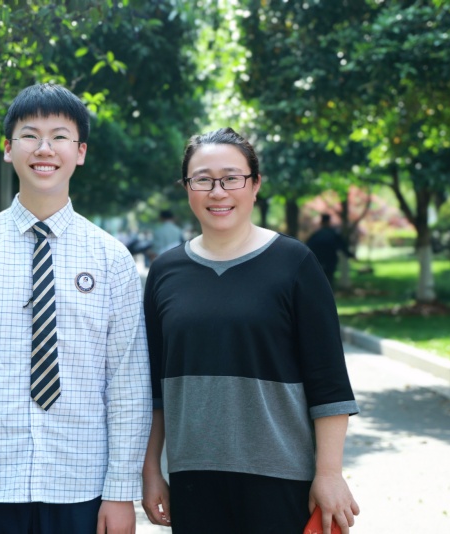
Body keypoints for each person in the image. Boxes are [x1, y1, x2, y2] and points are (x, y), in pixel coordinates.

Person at [0, 82, 152, 534]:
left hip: (82, 482)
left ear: (80, 152)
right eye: (29, 135)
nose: (44, 149)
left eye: (59, 136)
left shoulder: (111, 259)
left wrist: (120, 489)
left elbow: (126, 381)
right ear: (8, 149)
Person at [141, 128, 360, 534]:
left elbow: (328, 383)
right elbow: (153, 387)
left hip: (282, 480)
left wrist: (329, 474)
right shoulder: (165, 272)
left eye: (232, 178)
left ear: (255, 184)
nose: (217, 192)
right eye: (203, 180)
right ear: (187, 188)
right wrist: (151, 469)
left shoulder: (295, 263)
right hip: (193, 479)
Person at [305, 213, 354, 288]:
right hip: (330, 260)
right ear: (329, 222)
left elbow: (308, 247)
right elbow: (342, 246)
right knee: (328, 279)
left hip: (318, 260)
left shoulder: (316, 235)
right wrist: (350, 255)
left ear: (321, 222)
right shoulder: (333, 234)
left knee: (318, 279)